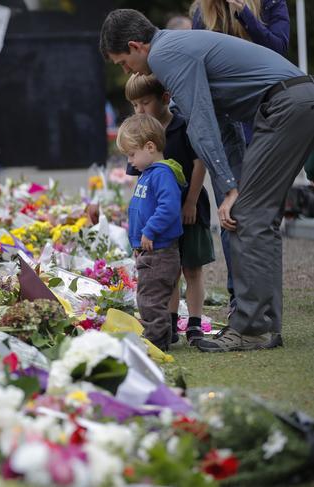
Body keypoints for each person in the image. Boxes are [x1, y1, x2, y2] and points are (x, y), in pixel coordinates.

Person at [100, 9, 314, 352]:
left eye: (124, 62)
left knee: (247, 215)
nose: (128, 71)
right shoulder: (177, 46)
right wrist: (235, 183)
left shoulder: (165, 54)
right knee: (258, 217)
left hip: (284, 105)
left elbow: (200, 122)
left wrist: (230, 189)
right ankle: (265, 325)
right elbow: (222, 122)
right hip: (293, 100)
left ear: (135, 45)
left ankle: (253, 328)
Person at [191, 0, 291, 314]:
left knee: (262, 216)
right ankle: (239, 297)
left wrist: (246, 17)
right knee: (229, 214)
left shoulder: (272, 3)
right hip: (225, 122)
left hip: (265, 117)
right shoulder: (201, 11)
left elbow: (278, 49)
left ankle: (266, 299)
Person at [124, 73, 214, 346]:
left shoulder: (182, 127)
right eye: (134, 105)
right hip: (160, 221)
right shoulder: (140, 138)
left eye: (144, 102)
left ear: (164, 98)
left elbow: (200, 163)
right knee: (169, 271)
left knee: (192, 268)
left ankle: (195, 324)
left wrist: (190, 202)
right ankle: (171, 323)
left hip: (190, 208)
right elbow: (140, 182)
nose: (140, 110)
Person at [117, 114, 184, 351]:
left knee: (150, 299)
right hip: (150, 250)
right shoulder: (148, 173)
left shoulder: (162, 174)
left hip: (160, 250)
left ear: (150, 147)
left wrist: (150, 231)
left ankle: (155, 341)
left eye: (132, 154)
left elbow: (169, 207)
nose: (130, 160)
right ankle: (161, 338)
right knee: (148, 295)